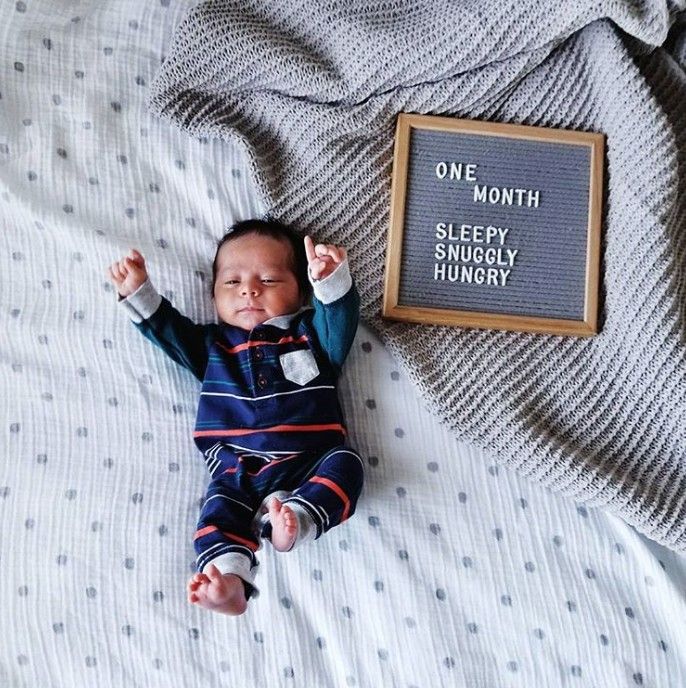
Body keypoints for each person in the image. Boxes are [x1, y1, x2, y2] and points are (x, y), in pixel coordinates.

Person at [107, 218, 364, 615]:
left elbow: (339, 320)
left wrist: (330, 281)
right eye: (232, 283)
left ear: (300, 293)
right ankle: (228, 580)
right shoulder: (212, 347)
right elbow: (169, 332)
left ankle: (298, 518)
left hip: (310, 461)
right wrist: (138, 291)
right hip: (235, 469)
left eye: (270, 280)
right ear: (213, 296)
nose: (249, 289)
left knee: (347, 465)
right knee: (217, 517)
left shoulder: (309, 335)